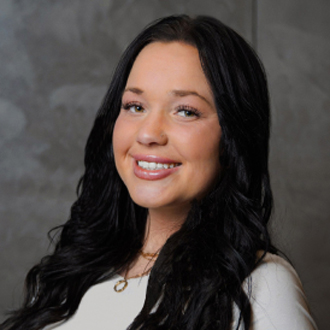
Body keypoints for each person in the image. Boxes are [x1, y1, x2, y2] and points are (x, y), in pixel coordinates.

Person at [1, 15, 317, 330]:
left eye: (185, 111)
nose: (149, 133)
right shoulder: (72, 272)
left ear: (232, 136)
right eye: (135, 106)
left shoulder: (261, 286)